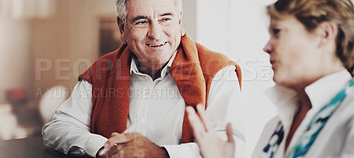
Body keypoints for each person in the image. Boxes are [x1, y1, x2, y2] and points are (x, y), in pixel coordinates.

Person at [42, 0, 245, 157]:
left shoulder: (218, 72)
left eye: (165, 19)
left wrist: (161, 154)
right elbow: (57, 128)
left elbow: (228, 147)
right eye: (141, 21)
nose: (155, 34)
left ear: (180, 21)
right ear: (122, 28)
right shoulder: (102, 70)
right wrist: (106, 148)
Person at [187, 0, 354, 157]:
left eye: (277, 32)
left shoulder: (349, 113)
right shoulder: (275, 127)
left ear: (324, 34)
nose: (266, 47)